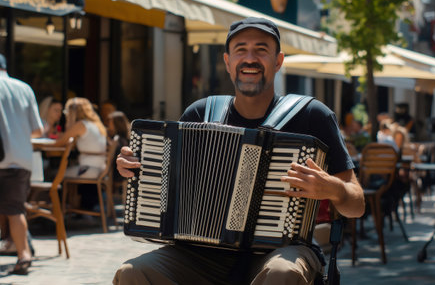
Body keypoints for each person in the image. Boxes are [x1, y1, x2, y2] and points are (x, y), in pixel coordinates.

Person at [114, 17, 365, 284]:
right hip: (200, 255)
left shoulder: (312, 116)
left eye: (261, 49)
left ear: (278, 61)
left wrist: (335, 189)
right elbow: (166, 188)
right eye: (241, 49)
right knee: (132, 273)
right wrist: (137, 169)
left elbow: (357, 204)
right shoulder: (199, 114)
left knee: (283, 272)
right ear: (227, 61)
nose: (250, 58)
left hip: (281, 250)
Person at [0, 53, 43, 275]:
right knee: (16, 210)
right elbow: (37, 130)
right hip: (21, 159)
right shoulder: (23, 88)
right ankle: (24, 255)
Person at [44, 97, 107, 210]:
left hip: (87, 169)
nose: (65, 114)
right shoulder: (95, 125)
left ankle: (55, 209)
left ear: (73, 112)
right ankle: (69, 207)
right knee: (61, 171)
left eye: (67, 112)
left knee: (53, 174)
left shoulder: (80, 125)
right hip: (99, 168)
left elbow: (59, 143)